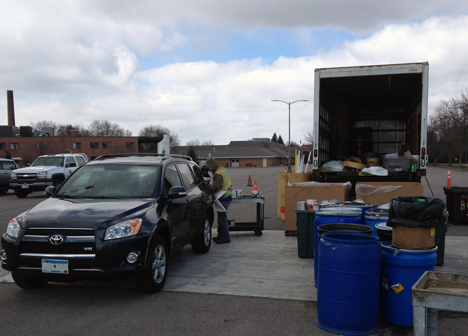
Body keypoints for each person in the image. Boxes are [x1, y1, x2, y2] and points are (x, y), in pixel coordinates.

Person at [204, 157, 233, 244]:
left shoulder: (218, 174)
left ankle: (225, 237)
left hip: (224, 197)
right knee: (221, 217)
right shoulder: (221, 169)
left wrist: (208, 188)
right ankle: (221, 236)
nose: (208, 170)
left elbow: (216, 187)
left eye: (209, 168)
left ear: (212, 166)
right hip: (226, 196)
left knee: (222, 218)